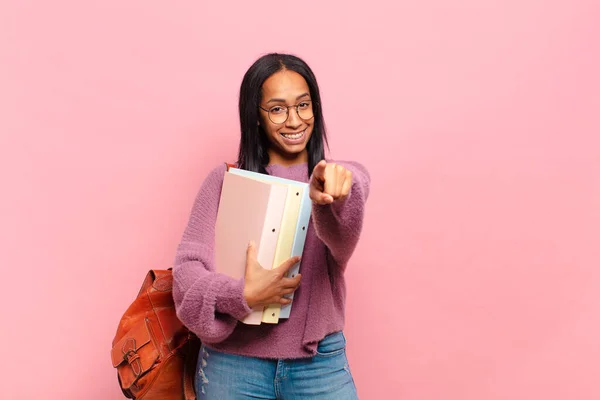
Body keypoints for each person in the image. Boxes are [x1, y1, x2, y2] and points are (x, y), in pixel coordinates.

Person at [172, 53, 370, 399]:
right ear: (256, 117)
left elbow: (350, 209)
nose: (294, 120)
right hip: (232, 366)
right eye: (278, 109)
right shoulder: (223, 180)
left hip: (319, 364)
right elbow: (187, 275)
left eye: (303, 105)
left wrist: (338, 189)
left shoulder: (333, 180)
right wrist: (242, 295)